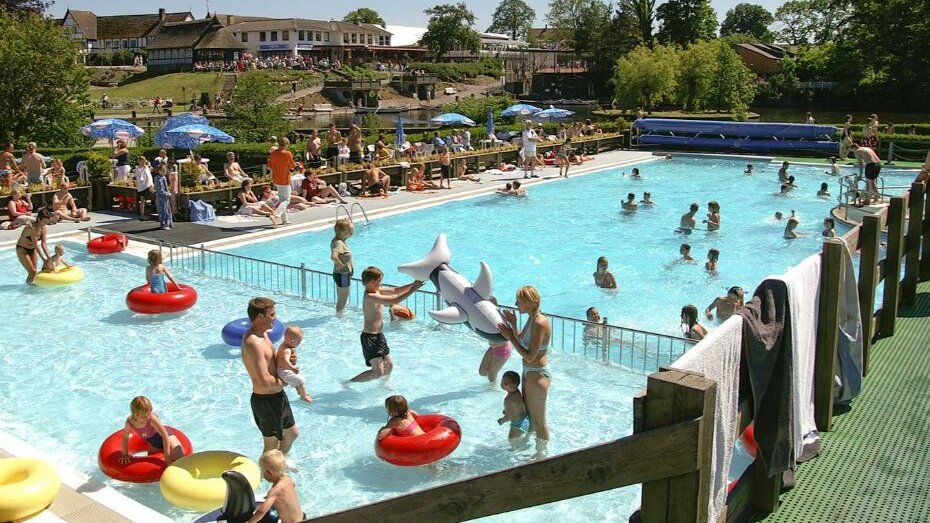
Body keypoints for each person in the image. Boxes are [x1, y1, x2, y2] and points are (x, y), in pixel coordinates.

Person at [497, 286, 552, 455]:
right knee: (530, 418)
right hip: (529, 372)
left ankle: (543, 457)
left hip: (537, 374)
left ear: (529, 302)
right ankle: (533, 452)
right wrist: (513, 325)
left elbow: (529, 355)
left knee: (539, 422)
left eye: (519, 301)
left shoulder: (539, 322)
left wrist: (510, 337)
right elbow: (522, 340)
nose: (516, 304)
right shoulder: (531, 318)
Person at [242, 297, 300, 454]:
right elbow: (265, 380)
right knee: (271, 445)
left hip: (277, 396)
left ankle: (280, 462)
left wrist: (286, 359)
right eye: (272, 314)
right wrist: (287, 382)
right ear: (260, 317)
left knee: (292, 433)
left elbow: (273, 360)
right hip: (265, 401)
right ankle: (268, 468)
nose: (275, 318)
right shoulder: (253, 343)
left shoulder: (263, 335)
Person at [348, 267, 424, 383]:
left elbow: (395, 290)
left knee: (389, 365)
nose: (381, 283)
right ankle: (349, 382)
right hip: (370, 337)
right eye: (379, 281)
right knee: (377, 373)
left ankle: (383, 385)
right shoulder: (370, 296)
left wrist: (412, 284)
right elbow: (393, 301)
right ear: (372, 282)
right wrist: (412, 290)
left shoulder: (377, 291)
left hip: (379, 336)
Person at [119, 396, 186, 466]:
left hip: (167, 438)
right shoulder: (130, 423)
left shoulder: (152, 419)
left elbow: (165, 435)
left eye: (148, 414)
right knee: (151, 465)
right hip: (153, 443)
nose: (147, 417)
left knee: (180, 458)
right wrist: (125, 454)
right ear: (135, 415)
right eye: (143, 416)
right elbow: (125, 438)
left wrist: (167, 455)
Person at [248, 450, 304, 523]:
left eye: (262, 471)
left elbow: (261, 511)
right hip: (302, 518)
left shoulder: (275, 491)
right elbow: (291, 488)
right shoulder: (288, 479)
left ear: (269, 473)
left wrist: (249, 522)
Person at [478, 296, 510, 384]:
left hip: (503, 349)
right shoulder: (487, 318)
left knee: (491, 376)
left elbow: (508, 336)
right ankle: (494, 380)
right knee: (482, 372)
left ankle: (492, 389)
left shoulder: (500, 319)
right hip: (493, 347)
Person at [275, 326, 312, 403]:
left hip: (282, 370)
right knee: (299, 380)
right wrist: (292, 368)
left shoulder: (283, 345)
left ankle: (301, 391)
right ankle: (303, 396)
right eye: (299, 342)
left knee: (296, 379)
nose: (299, 343)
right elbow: (285, 360)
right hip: (283, 371)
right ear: (292, 341)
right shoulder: (287, 350)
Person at [15, 208, 51, 283]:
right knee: (32, 272)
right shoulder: (31, 228)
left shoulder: (43, 228)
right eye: (44, 221)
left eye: (47, 222)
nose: (45, 224)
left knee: (34, 272)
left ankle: (31, 285)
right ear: (39, 219)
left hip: (32, 249)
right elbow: (36, 244)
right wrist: (43, 259)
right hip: (22, 249)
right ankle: (27, 288)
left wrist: (49, 258)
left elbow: (43, 244)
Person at [268, 137, 297, 225]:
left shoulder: (273, 153)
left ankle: (284, 220)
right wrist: (295, 164)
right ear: (286, 144)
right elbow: (292, 166)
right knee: (287, 200)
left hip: (276, 178)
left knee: (282, 200)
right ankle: (275, 215)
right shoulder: (287, 153)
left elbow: (270, 166)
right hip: (284, 179)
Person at [497, 371, 530, 448]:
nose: (500, 383)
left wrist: (502, 420)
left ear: (506, 384)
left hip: (518, 424)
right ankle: (524, 442)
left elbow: (510, 416)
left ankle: (516, 451)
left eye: (501, 381)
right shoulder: (517, 392)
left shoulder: (510, 400)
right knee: (519, 435)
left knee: (511, 438)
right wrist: (506, 410)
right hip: (525, 420)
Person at [331, 219, 354, 314]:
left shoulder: (339, 241)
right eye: (351, 229)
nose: (353, 231)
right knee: (342, 300)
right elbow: (334, 256)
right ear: (344, 231)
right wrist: (342, 266)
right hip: (342, 275)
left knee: (341, 298)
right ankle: (340, 317)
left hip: (341, 275)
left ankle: (339, 315)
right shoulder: (339, 243)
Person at [152, 161, 172, 230]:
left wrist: (168, 192)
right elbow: (160, 190)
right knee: (162, 211)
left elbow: (165, 187)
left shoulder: (163, 177)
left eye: (165, 171)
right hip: (161, 198)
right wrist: (167, 193)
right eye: (163, 171)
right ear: (159, 171)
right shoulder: (158, 178)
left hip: (165, 197)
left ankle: (168, 223)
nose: (164, 172)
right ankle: (163, 224)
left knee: (167, 210)